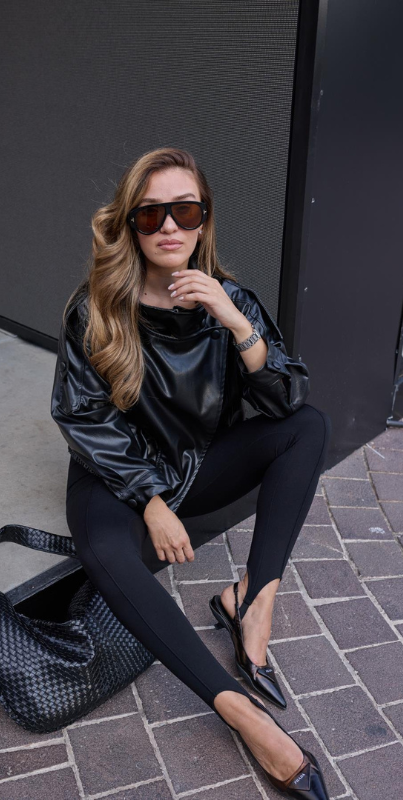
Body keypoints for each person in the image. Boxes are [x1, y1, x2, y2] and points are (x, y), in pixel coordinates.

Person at [51, 147, 331, 798]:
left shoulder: (231, 299)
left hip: (196, 463)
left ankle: (251, 603)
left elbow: (286, 401)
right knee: (105, 550)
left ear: (205, 220)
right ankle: (238, 709)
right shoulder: (97, 307)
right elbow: (81, 415)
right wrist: (150, 501)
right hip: (116, 472)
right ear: (131, 225)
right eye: (152, 215)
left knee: (309, 427)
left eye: (185, 210)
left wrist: (234, 322)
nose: (170, 227)